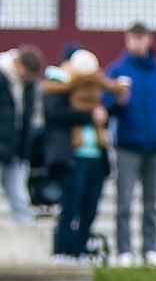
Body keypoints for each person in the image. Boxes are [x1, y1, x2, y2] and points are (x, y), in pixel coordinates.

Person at [106, 24, 156, 266]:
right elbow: (105, 106)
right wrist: (117, 102)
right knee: (124, 202)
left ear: (149, 40)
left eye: (141, 38)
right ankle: (124, 249)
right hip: (127, 145)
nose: (137, 43)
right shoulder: (117, 71)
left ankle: (150, 248)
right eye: (133, 38)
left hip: (154, 146)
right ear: (127, 39)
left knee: (151, 202)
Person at [42, 48, 119, 262]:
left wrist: (107, 111)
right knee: (70, 205)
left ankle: (79, 249)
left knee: (89, 207)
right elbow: (57, 115)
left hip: (96, 157)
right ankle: (62, 249)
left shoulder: (94, 92)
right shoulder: (60, 88)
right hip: (73, 157)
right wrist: (88, 115)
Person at [0, 45, 44, 227]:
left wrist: (25, 149)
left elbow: (28, 118)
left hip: (17, 150)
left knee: (20, 198)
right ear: (18, 64)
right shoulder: (3, 76)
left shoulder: (29, 85)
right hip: (2, 145)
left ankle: (28, 236)